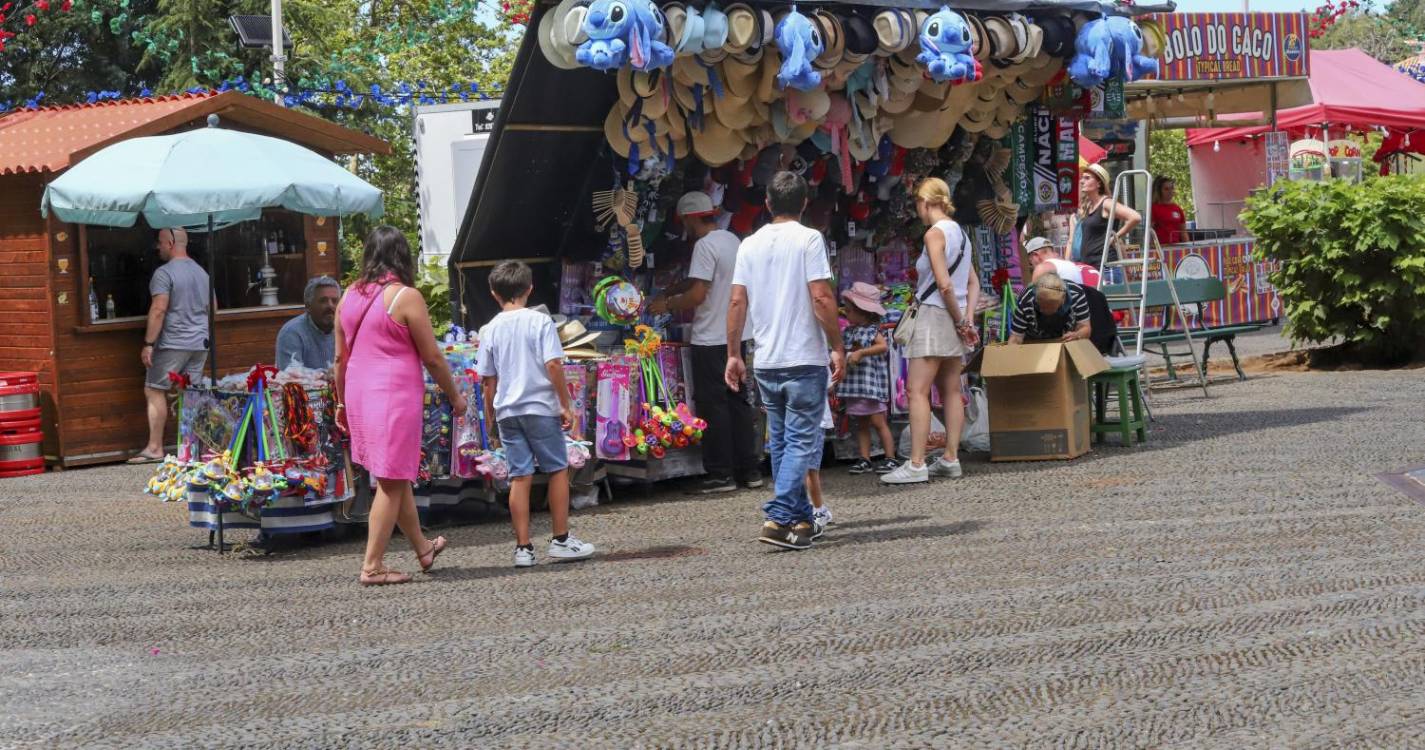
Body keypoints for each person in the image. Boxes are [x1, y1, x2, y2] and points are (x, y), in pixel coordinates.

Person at [335, 227, 467, 586]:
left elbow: (339, 359)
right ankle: (372, 566)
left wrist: (341, 401)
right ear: (402, 257)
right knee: (391, 480)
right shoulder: (405, 296)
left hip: (360, 396)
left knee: (394, 474)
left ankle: (423, 548)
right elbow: (433, 358)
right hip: (393, 396)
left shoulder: (347, 296)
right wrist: (455, 397)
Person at [726, 171, 845, 551]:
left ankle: (800, 522)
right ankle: (779, 516)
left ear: (767, 204)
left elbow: (736, 302)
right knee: (797, 443)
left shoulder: (749, 244)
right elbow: (822, 297)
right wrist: (837, 344)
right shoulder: (809, 239)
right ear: (805, 203)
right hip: (803, 356)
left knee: (780, 442)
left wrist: (733, 354)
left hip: (767, 359)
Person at [477, 260, 596, 568]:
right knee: (557, 469)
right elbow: (554, 365)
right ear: (529, 289)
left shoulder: (489, 329)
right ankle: (560, 539)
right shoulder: (540, 322)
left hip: (507, 411)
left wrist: (490, 416)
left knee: (520, 475)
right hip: (539, 407)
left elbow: (488, 381)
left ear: (494, 293)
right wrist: (565, 403)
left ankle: (523, 548)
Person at [648, 191, 762, 494]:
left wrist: (668, 303)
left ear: (688, 219)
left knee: (715, 405)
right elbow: (710, 282)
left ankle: (720, 474)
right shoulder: (732, 240)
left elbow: (699, 295)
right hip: (739, 334)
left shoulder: (704, 245)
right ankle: (749, 469)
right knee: (739, 402)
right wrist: (678, 286)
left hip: (711, 337)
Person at [882, 178, 980, 486]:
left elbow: (944, 283)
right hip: (955, 316)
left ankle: (916, 462)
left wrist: (959, 319)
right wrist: (967, 318)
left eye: (918, 205)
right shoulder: (961, 235)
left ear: (925, 203)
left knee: (917, 391)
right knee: (951, 389)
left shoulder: (934, 234)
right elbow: (972, 283)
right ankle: (950, 457)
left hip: (936, 315)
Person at [131, 228, 209, 464]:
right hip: (200, 342)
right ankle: (192, 449)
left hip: (174, 341)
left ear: (171, 242)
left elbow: (159, 309)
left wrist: (148, 343)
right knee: (191, 393)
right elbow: (212, 308)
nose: (157, 247)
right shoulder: (202, 272)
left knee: (155, 389)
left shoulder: (164, 273)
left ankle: (155, 448)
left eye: (160, 242)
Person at [837, 282, 898, 475]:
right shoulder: (848, 332)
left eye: (849, 310)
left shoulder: (873, 331)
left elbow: (883, 347)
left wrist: (862, 353)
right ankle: (865, 458)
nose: (846, 313)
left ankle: (890, 458)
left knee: (879, 422)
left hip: (870, 387)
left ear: (863, 311)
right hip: (856, 387)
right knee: (861, 424)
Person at [1069, 163, 1140, 280]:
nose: (1082, 181)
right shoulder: (1089, 206)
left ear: (1099, 183)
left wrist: (1114, 237)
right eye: (1082, 178)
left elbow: (1135, 217)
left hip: (1107, 268)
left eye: (1087, 178)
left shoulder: (1106, 203)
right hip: (1091, 268)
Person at [1008, 273, 1092, 345]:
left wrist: (1077, 335)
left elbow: (1085, 328)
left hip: (1066, 344)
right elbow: (1015, 337)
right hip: (1033, 345)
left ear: (1062, 300)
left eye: (1050, 308)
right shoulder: (1027, 299)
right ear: (1036, 297)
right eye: (1041, 306)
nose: (1043, 310)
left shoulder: (1076, 294)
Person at [275, 276, 341, 370]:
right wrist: (328, 375)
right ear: (308, 306)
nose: (330, 306)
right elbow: (290, 374)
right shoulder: (292, 332)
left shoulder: (346, 330)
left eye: (335, 301)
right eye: (323, 301)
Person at [1026, 236, 1101, 288]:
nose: (1031, 266)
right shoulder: (1072, 264)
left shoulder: (1043, 268)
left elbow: (1032, 296)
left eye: (1029, 262)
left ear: (1035, 256)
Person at [1150, 176, 1188, 245]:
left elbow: (1183, 232)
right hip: (1160, 248)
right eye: (1166, 189)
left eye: (1172, 188)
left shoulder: (1178, 209)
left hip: (1176, 247)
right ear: (1159, 191)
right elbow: (1149, 232)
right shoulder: (1153, 208)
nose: (1170, 191)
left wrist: (1188, 247)